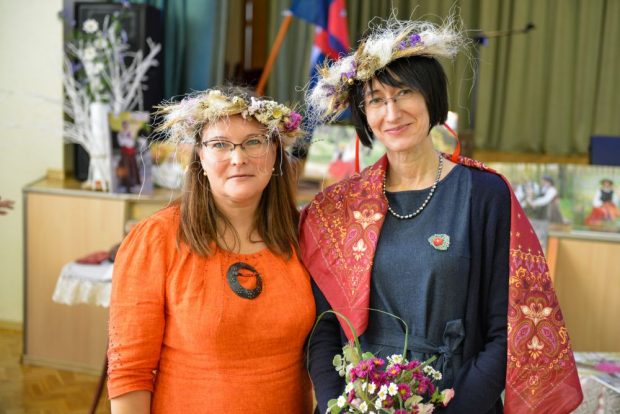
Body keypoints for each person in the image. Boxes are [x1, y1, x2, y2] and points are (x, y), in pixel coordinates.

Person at [301, 18, 582, 413]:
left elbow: (508, 330)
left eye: (405, 92)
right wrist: (340, 405)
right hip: (358, 401)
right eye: (377, 99)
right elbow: (323, 328)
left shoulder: (484, 194)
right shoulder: (337, 206)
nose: (392, 112)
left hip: (458, 399)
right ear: (363, 112)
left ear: (431, 96)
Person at [107, 88, 314, 413]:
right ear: (200, 156)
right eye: (219, 144)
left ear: (275, 152)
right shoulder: (156, 239)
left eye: (254, 142)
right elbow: (129, 374)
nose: (238, 158)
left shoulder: (304, 236)